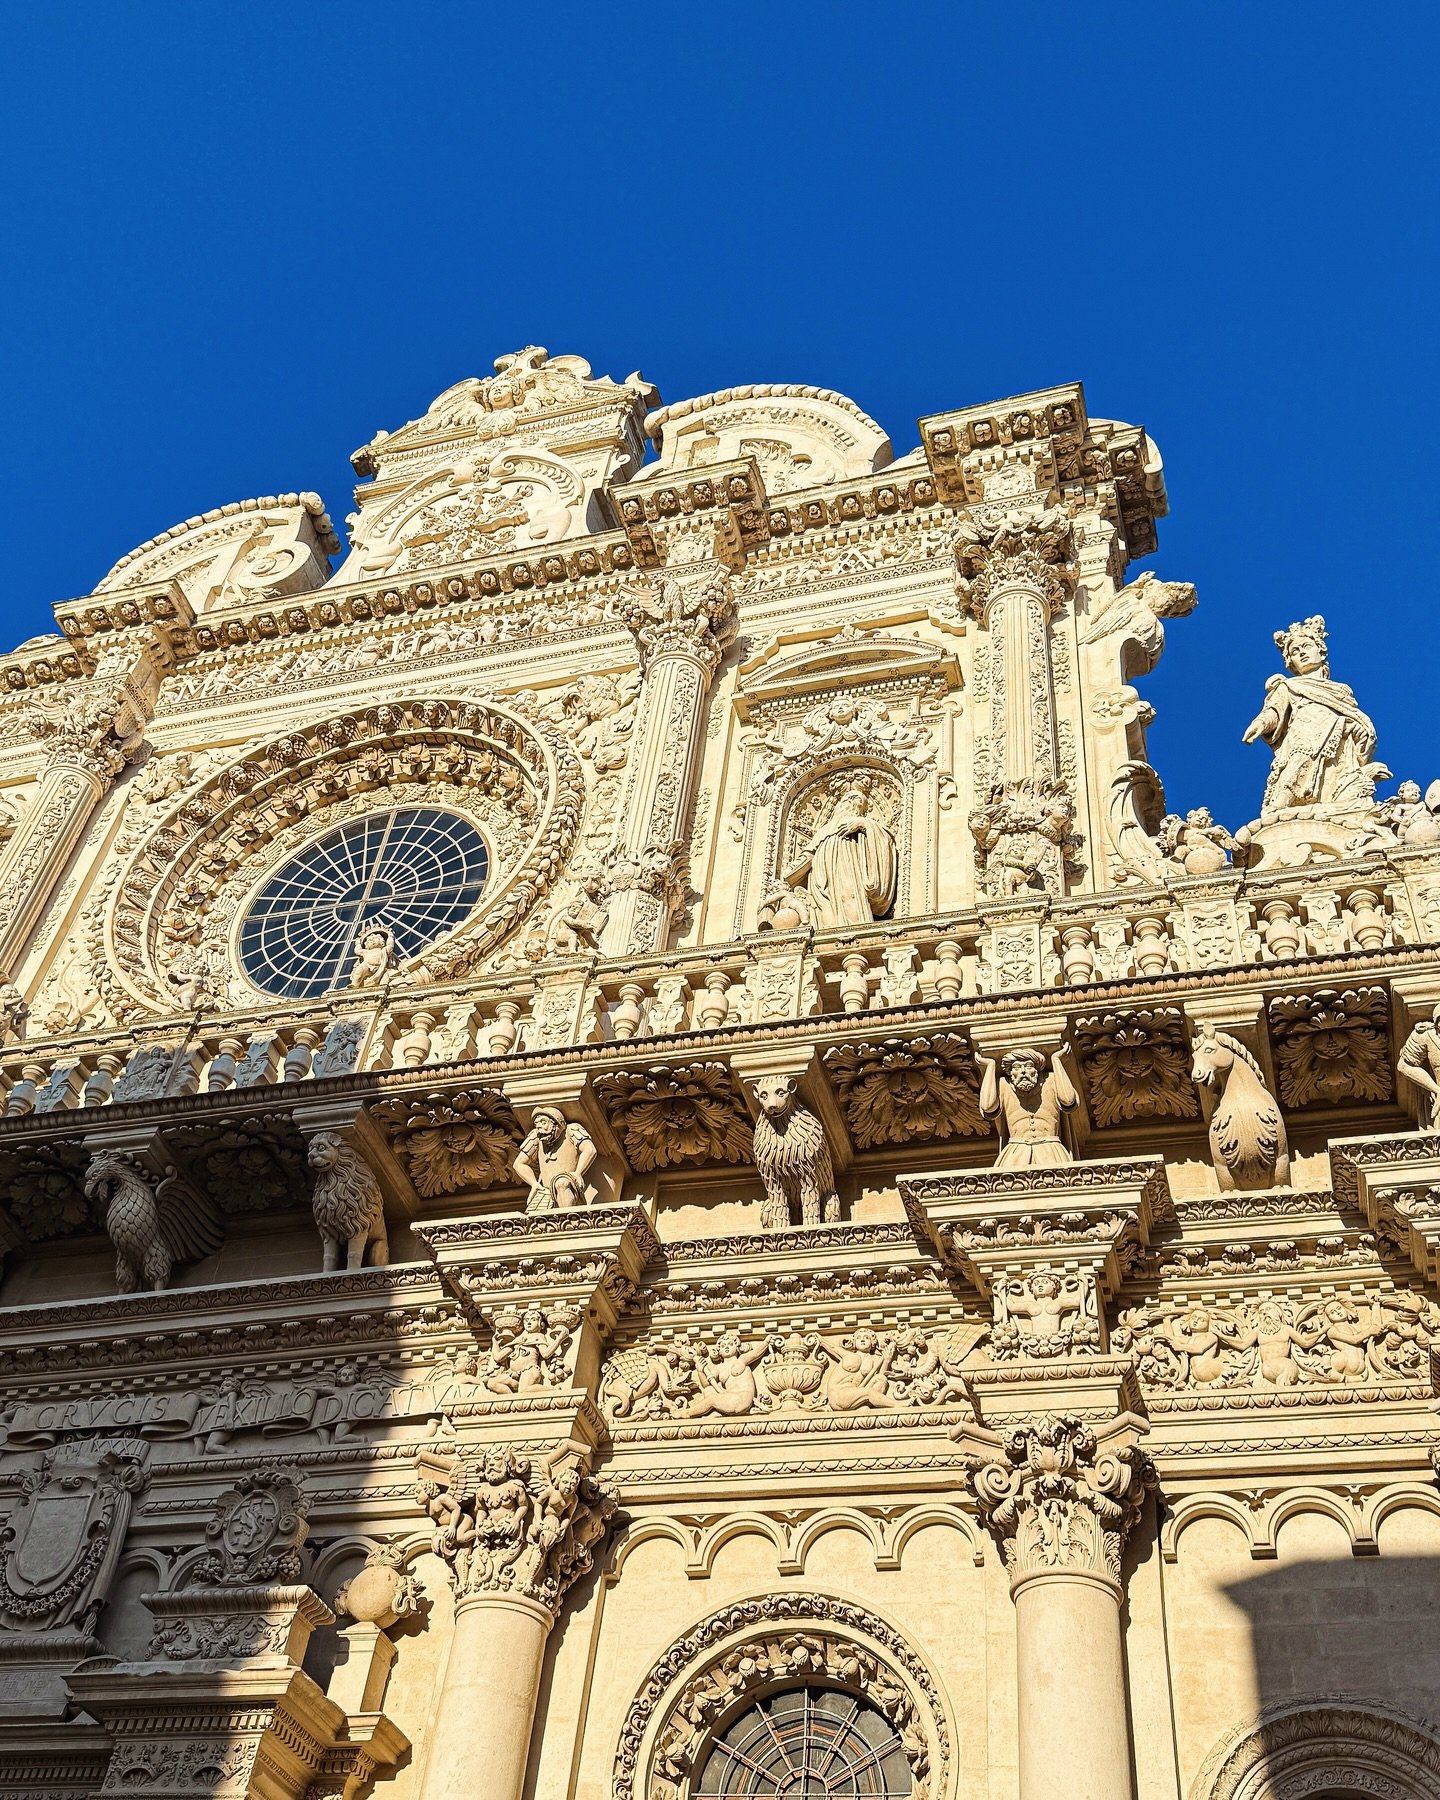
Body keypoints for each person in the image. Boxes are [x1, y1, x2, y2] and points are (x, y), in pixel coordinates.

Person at [1243, 615, 1387, 813]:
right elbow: (1274, 710)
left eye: (1306, 646)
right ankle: (1278, 807)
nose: (1301, 653)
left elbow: (1354, 715)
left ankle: (1339, 805)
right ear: (1290, 661)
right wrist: (1261, 724)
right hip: (1303, 732)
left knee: (1338, 771)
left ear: (1320, 649)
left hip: (1337, 736)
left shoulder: (1341, 690)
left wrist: (1354, 727)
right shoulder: (1289, 685)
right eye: (1295, 651)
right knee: (1298, 763)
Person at [786, 777, 897, 928]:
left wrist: (862, 824)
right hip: (821, 874)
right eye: (848, 799)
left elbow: (885, 840)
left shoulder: (864, 823)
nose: (851, 803)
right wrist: (785, 880)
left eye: (857, 800)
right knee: (826, 908)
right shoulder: (824, 829)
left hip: (848, 867)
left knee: (850, 899)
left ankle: (855, 936)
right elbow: (807, 857)